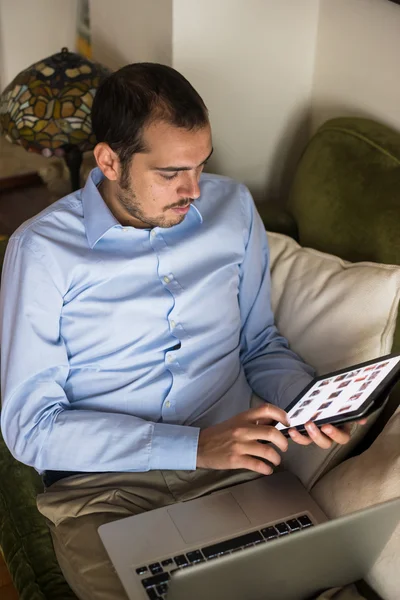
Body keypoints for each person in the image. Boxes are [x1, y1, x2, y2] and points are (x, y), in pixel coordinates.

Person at [0, 63, 361, 600]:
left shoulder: (234, 208)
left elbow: (259, 345)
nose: (193, 190)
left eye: (200, 165)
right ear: (108, 160)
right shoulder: (43, 252)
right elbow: (32, 427)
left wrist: (307, 399)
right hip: (105, 491)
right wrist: (195, 446)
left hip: (237, 471)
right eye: (170, 173)